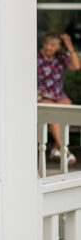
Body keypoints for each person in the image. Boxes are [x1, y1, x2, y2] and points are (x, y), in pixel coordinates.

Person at [37, 30, 80, 165]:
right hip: (41, 95)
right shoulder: (35, 56)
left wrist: (70, 47)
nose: (48, 47)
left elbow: (76, 66)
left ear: (59, 48)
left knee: (66, 105)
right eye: (47, 44)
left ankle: (57, 148)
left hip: (58, 95)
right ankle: (63, 149)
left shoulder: (60, 57)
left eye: (52, 45)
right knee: (54, 109)